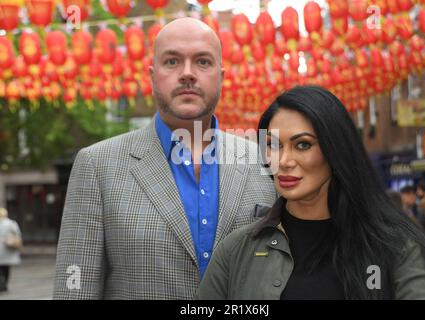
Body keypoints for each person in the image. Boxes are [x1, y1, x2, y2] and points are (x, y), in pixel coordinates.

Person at [53, 18, 276, 299]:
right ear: (151, 75)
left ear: (221, 74)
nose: (187, 74)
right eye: (172, 62)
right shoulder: (97, 165)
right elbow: (75, 285)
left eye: (202, 62)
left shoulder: (263, 160)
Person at [196, 86, 425, 300]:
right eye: (273, 145)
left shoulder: (394, 247)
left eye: (302, 145)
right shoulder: (237, 249)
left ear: (334, 149)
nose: (283, 160)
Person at [0, 208, 22, 293]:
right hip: (7, 248)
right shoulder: (11, 223)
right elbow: (17, 234)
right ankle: (4, 283)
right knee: (6, 268)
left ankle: (1, 283)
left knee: (1, 268)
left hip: (3, 249)